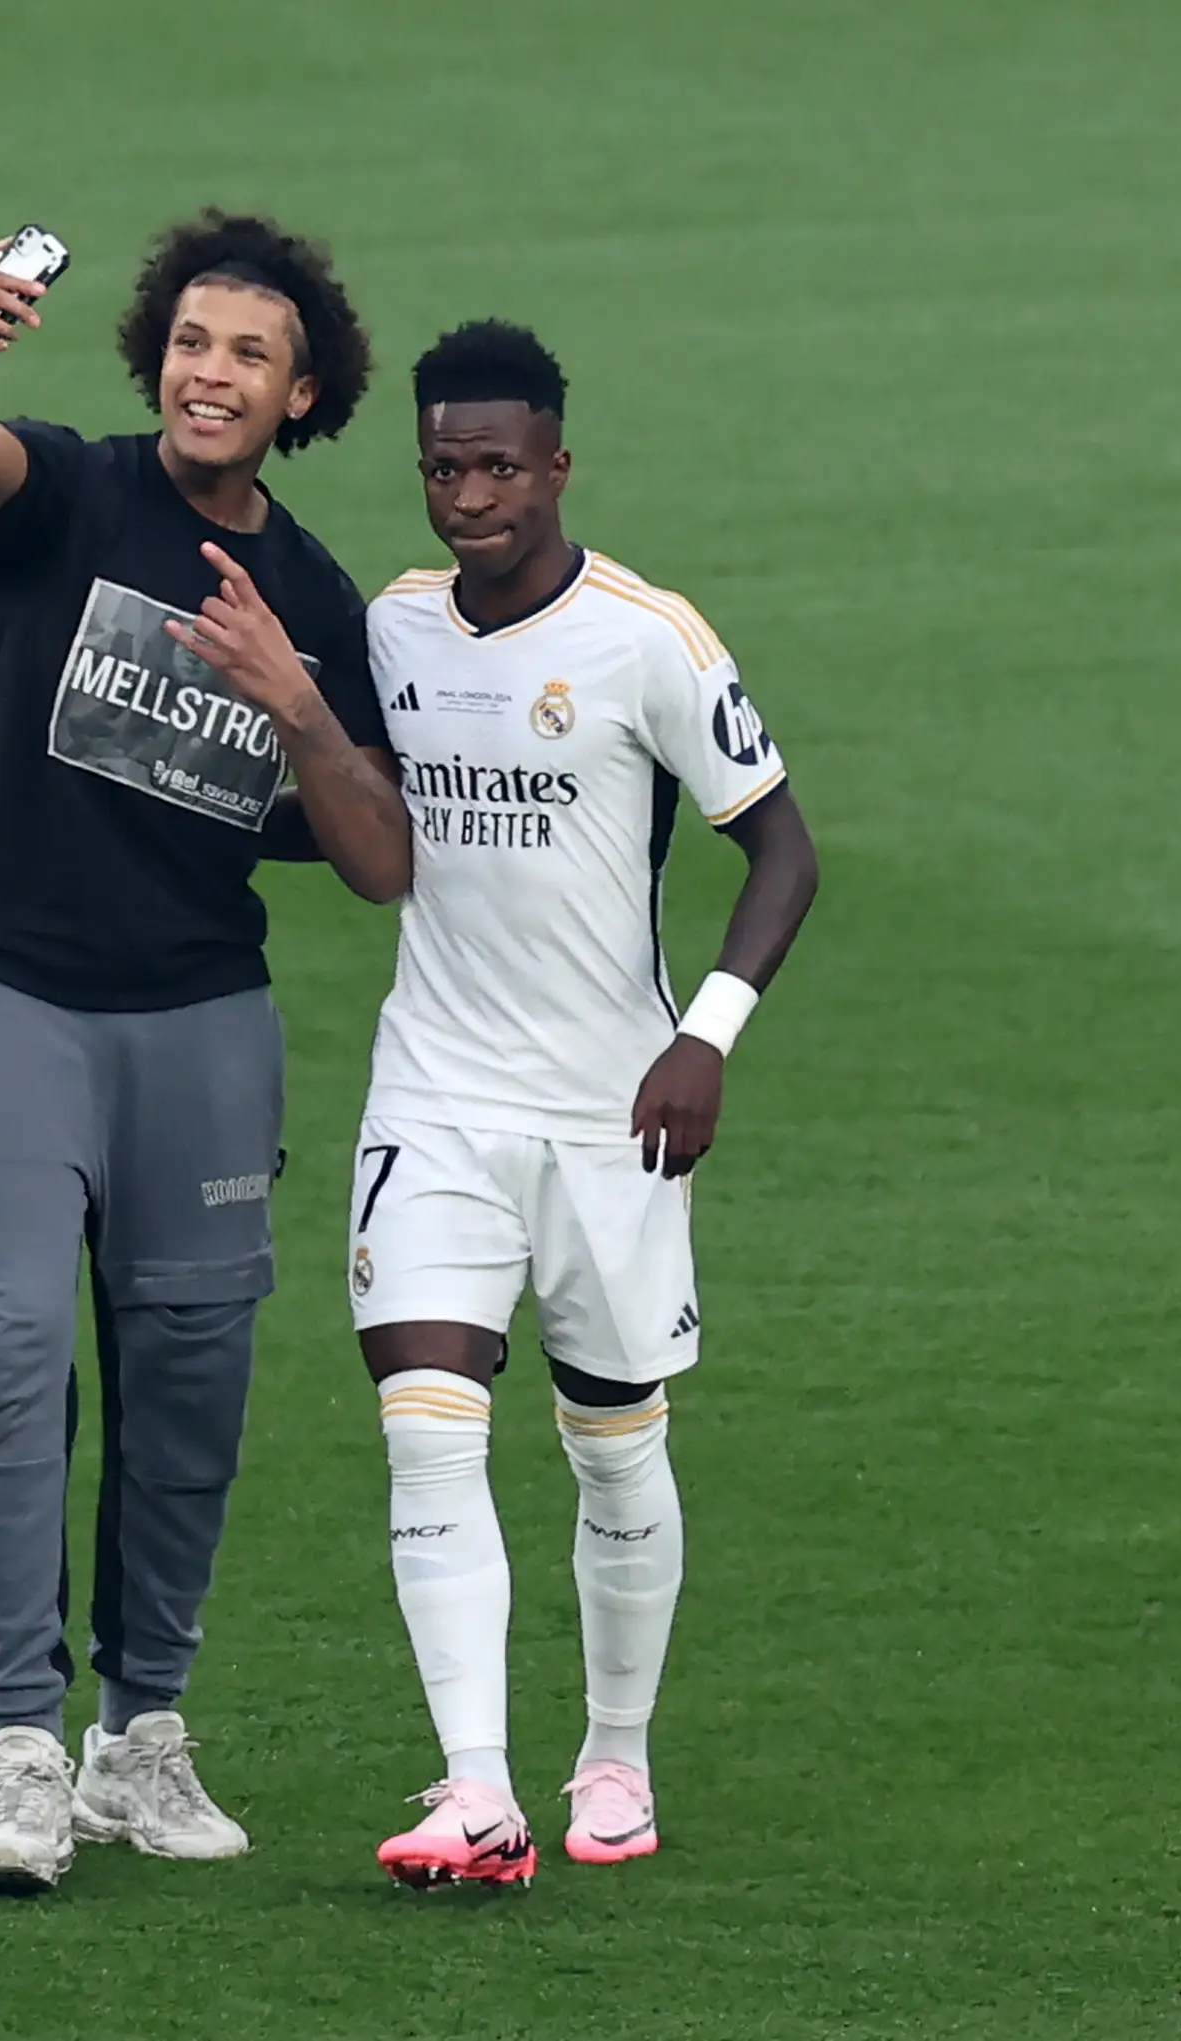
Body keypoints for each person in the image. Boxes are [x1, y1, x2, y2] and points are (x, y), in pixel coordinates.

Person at [0, 211, 411, 1893]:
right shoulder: (69, 496)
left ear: (298, 392)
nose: (210, 372)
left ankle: (142, 1738)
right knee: (5, 1355)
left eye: (248, 354)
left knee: (190, 1382)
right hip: (5, 1001)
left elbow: (382, 861)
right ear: (153, 359)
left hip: (199, 1022)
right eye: (191, 342)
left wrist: (295, 698)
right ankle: (20, 1748)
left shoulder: (312, 595)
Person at [347, 322, 821, 1885]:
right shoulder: (396, 628)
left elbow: (784, 851)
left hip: (612, 1112)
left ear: (557, 464)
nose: (468, 494)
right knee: (427, 1429)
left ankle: (613, 1753)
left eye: (497, 465)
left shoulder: (646, 640)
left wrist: (710, 1038)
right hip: (435, 1094)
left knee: (612, 1445)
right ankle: (474, 1792)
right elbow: (358, 816)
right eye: (441, 466)